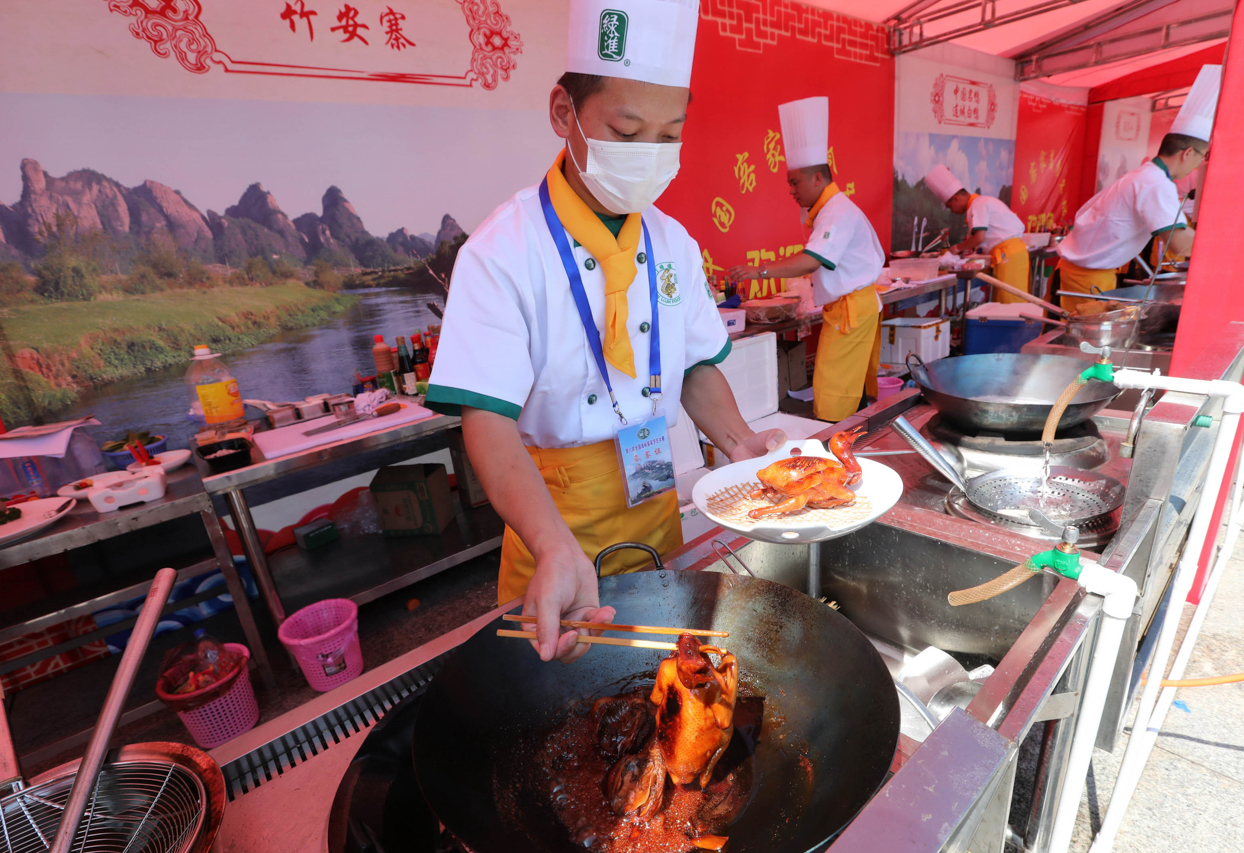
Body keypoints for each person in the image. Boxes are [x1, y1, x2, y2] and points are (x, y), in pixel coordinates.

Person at [425, 0, 785, 663]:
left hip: (654, 498)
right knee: (568, 686)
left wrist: (739, 442)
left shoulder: (672, 242)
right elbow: (487, 419)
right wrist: (551, 544)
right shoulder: (502, 251)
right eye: (626, 132)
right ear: (564, 113)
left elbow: (695, 365)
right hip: (554, 518)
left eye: (669, 134)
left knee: (666, 666)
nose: (650, 155)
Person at [725, 97, 886, 422]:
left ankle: (835, 443)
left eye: (795, 182)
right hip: (853, 307)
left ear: (817, 178)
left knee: (832, 392)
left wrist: (759, 271)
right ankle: (854, 438)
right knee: (849, 385)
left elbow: (813, 260)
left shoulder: (836, 212)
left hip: (851, 311)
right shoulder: (830, 209)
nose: (791, 191)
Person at [1055, 65, 1220, 313]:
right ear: (1187, 153)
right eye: (1201, 157)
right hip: (1086, 279)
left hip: (1087, 274)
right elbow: (1178, 243)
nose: (1198, 166)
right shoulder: (1155, 183)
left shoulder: (1146, 175)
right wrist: (1219, 249)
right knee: (1081, 337)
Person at [925, 165, 1029, 304]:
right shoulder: (983, 201)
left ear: (956, 199)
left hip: (1009, 257)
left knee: (1010, 305)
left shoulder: (978, 204)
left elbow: (979, 237)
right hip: (1013, 254)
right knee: (1010, 303)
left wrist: (957, 248)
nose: (952, 211)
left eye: (950, 207)